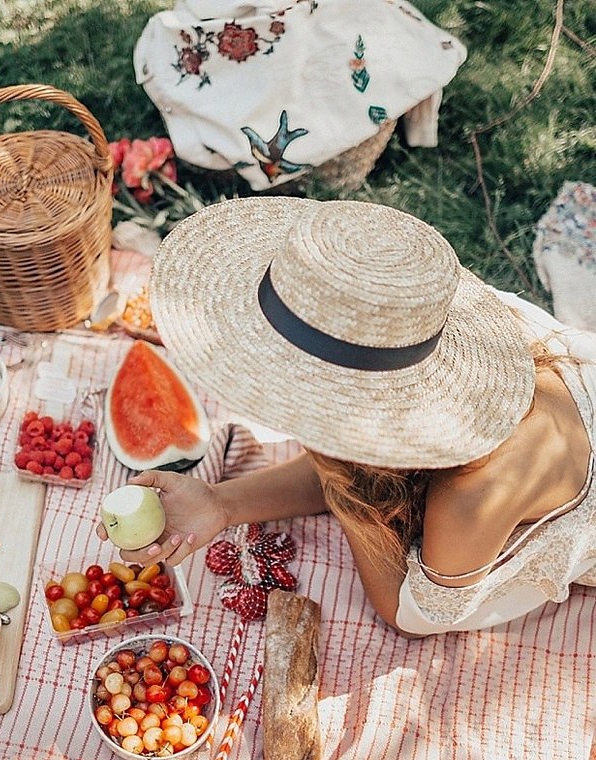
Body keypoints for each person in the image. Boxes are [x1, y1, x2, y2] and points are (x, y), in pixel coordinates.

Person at [98, 198, 596, 636]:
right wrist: (219, 504)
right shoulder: (431, 330)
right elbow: (355, 462)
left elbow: (412, 615)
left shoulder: (474, 495)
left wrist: (349, 493)